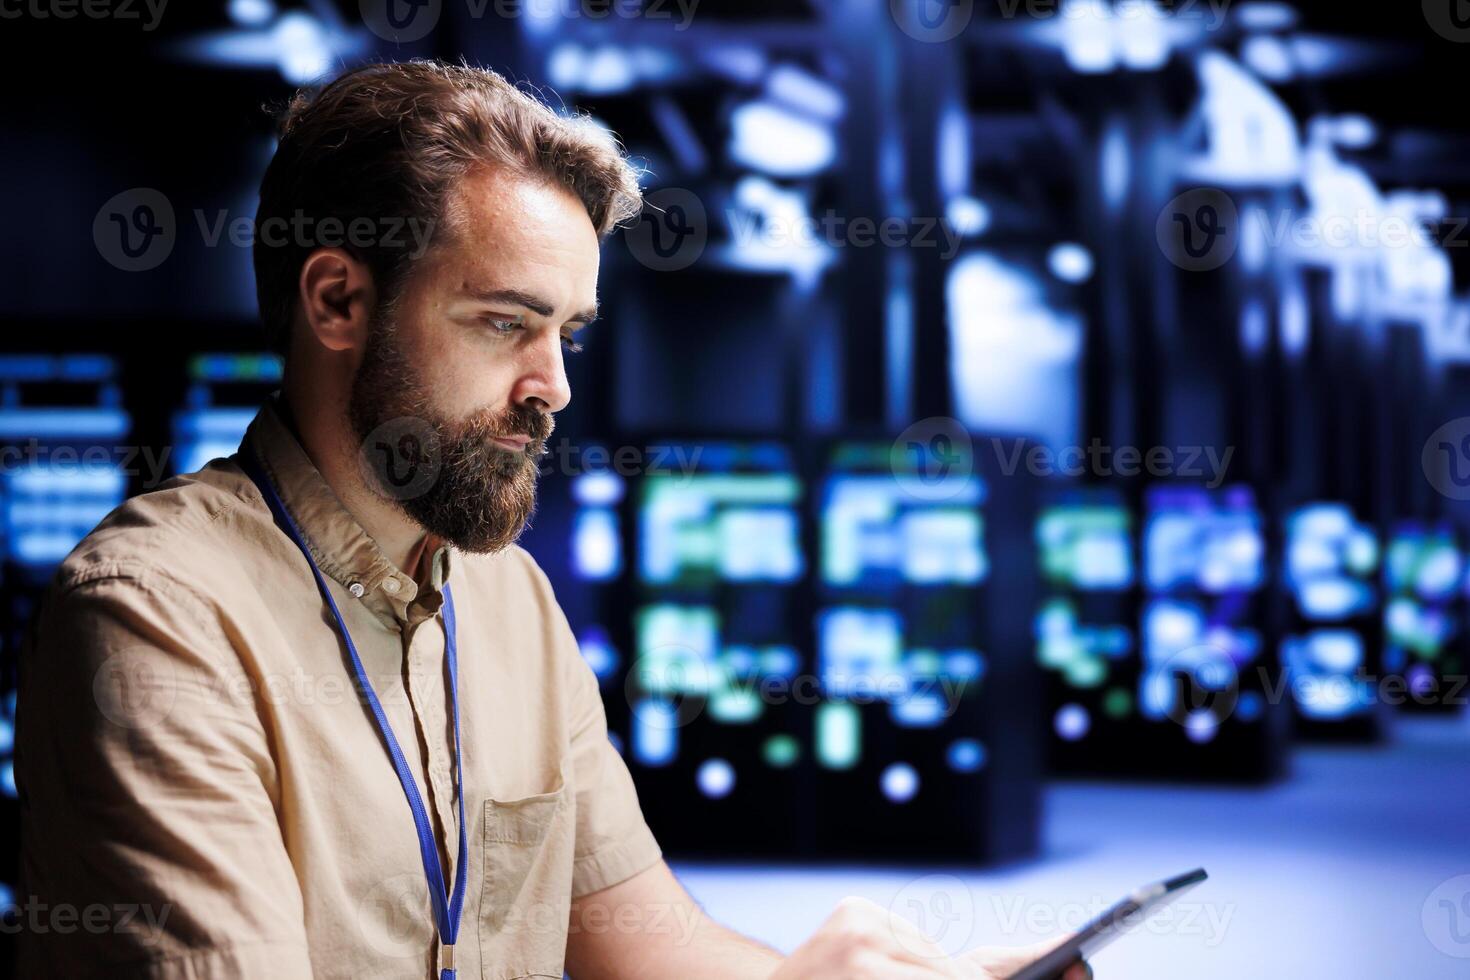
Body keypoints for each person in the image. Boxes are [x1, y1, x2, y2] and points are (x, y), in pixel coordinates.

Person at [15, 60, 1090, 980]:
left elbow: (649, 941)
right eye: (504, 324)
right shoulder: (158, 616)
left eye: (566, 333)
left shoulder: (510, 602)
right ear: (338, 300)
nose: (552, 386)